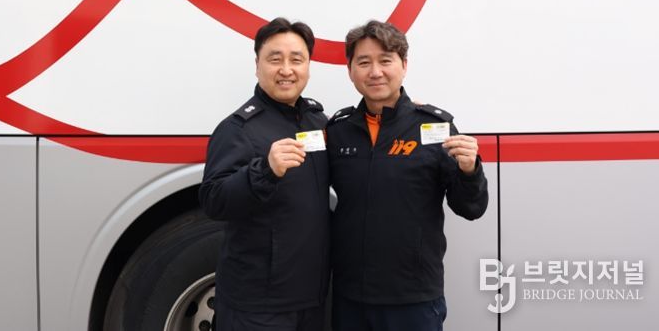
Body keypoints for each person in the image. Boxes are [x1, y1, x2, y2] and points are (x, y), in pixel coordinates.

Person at [326, 20, 488, 331]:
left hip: (413, 298)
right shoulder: (338, 130)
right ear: (350, 70)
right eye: (364, 62)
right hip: (350, 297)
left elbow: (471, 207)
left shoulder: (434, 127)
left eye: (385, 60)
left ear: (404, 65)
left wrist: (470, 170)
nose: (375, 72)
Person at [199, 18, 329, 331]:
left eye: (296, 59)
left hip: (312, 299)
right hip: (258, 305)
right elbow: (213, 200)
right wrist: (265, 171)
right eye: (275, 59)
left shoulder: (318, 122)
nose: (286, 70)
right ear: (257, 65)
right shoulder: (237, 129)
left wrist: (404, 115)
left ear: (308, 66)